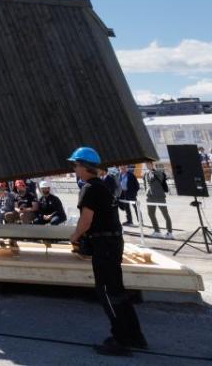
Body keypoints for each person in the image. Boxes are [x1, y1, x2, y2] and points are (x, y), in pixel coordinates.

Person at [68, 146, 147, 356]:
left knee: (107, 292)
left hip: (103, 245)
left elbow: (86, 221)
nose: (74, 169)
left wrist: (74, 236)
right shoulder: (103, 186)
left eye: (75, 165)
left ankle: (121, 340)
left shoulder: (89, 189)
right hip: (113, 243)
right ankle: (135, 336)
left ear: (84, 166)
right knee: (118, 291)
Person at [142, 161, 173, 239]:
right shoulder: (146, 174)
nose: (148, 165)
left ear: (152, 164)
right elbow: (145, 184)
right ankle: (157, 231)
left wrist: (153, 171)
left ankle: (169, 232)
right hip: (150, 197)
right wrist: (146, 192)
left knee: (165, 214)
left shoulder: (158, 172)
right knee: (150, 214)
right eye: (147, 164)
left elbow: (161, 178)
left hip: (159, 196)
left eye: (149, 164)